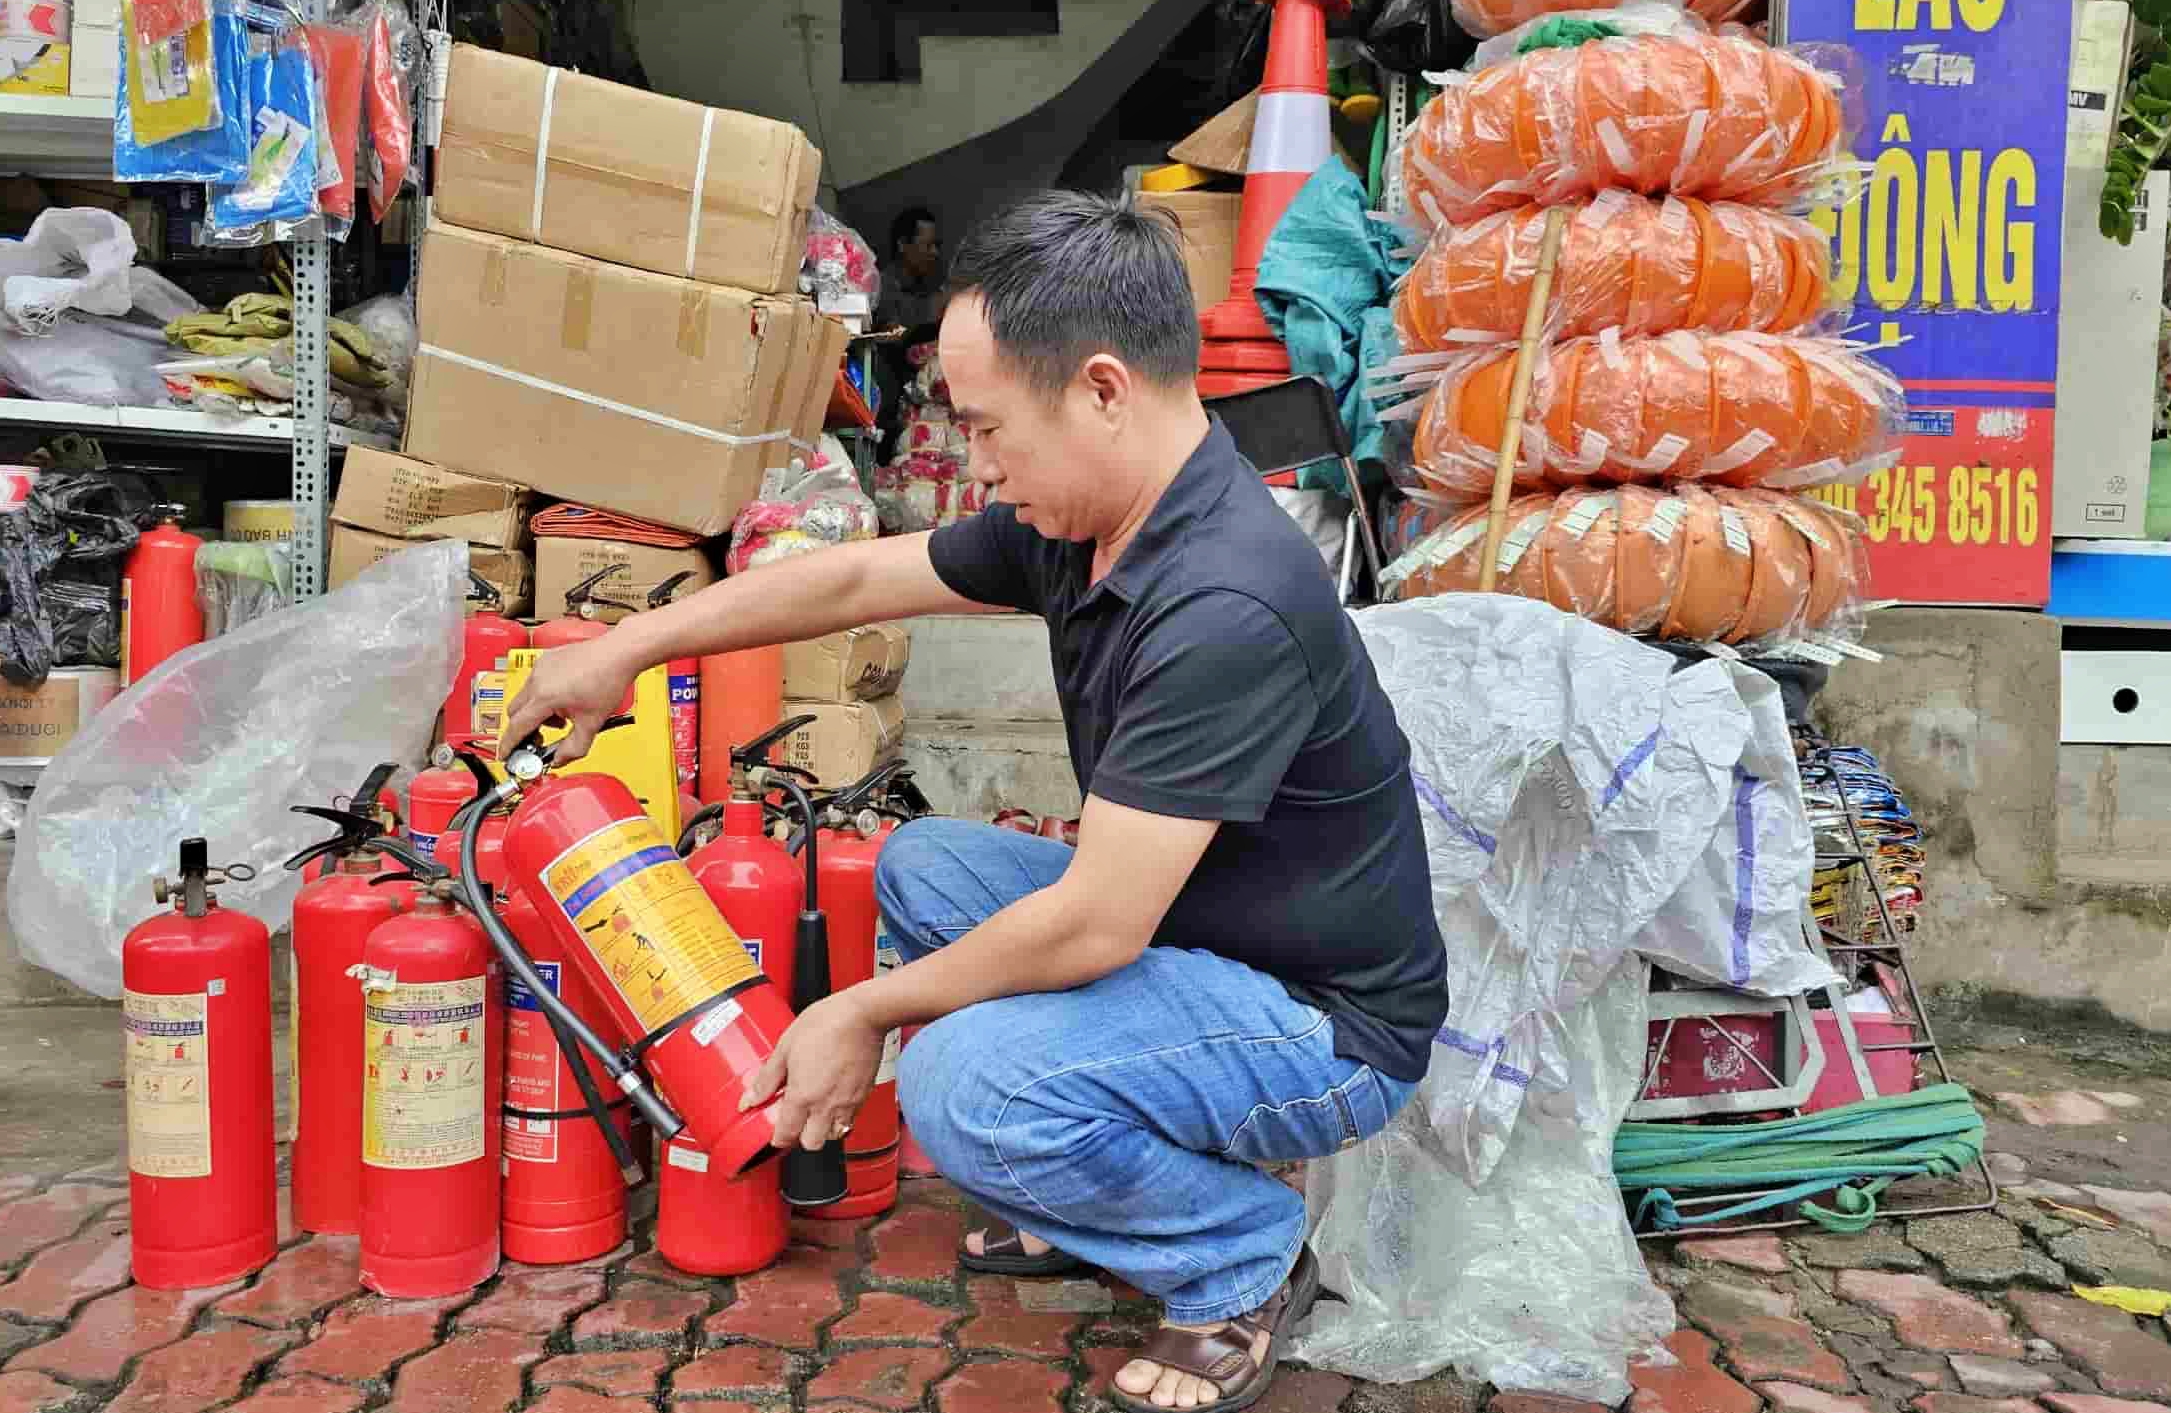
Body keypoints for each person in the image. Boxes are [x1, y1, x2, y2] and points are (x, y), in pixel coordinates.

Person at [500, 190, 1448, 1413]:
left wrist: (865, 1014)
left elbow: (1094, 927)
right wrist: (630, 645)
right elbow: (847, 576)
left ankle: (1234, 1257)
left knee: (964, 1083)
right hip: (1207, 935)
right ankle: (1096, 1191)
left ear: (1101, 390)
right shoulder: (1090, 519)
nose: (979, 467)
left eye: (989, 429)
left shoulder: (1224, 602)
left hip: (1325, 1028)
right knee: (923, 867)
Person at [876, 204, 945, 333]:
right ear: (902, 244)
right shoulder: (882, 287)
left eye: (936, 245)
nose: (935, 252)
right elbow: (890, 336)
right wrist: (932, 309)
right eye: (928, 245)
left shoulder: (925, 283)